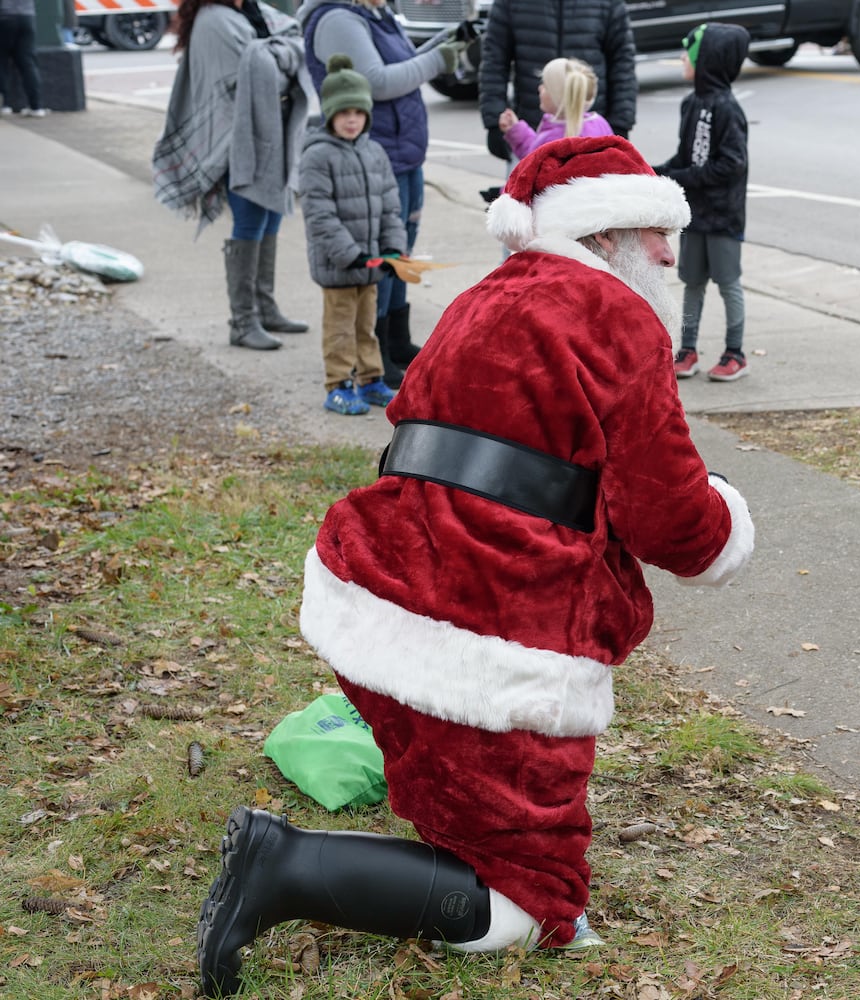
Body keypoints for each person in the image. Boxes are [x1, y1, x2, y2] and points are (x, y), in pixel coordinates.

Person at [195, 135, 755, 997]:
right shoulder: (615, 316)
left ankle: (438, 845)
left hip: (379, 595)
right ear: (603, 236)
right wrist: (728, 518)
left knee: (458, 803)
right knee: (534, 904)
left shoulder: (488, 295)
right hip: (498, 635)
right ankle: (282, 866)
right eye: (653, 231)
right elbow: (673, 519)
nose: (670, 253)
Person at [299, 0, 466, 387]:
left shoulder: (377, 13)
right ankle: (373, 354)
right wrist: (438, 60)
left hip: (400, 150)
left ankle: (395, 338)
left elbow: (404, 63)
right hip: (375, 152)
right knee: (379, 256)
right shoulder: (338, 18)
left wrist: (445, 42)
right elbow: (377, 81)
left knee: (398, 248)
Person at [153, 0, 312, 352]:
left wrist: (277, 55)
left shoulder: (257, 12)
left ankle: (265, 308)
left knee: (271, 215)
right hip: (239, 137)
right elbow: (259, 75)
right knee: (250, 219)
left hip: (275, 130)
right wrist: (281, 55)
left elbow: (295, 47)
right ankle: (242, 321)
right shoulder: (214, 20)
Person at [297, 54, 404, 415]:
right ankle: (339, 383)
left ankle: (371, 378)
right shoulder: (317, 156)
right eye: (344, 113)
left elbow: (391, 205)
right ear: (330, 114)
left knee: (367, 325)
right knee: (340, 328)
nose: (352, 119)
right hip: (340, 264)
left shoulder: (374, 152)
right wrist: (350, 253)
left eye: (358, 112)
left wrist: (393, 247)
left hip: (371, 263)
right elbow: (319, 214)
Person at [654, 22, 751, 383]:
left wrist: (685, 177)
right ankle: (688, 349)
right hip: (695, 215)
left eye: (689, 52)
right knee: (692, 281)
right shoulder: (690, 104)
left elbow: (731, 164)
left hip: (724, 216)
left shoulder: (728, 109)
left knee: (728, 283)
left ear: (708, 59)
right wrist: (656, 172)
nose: (683, 57)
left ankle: (735, 353)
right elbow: (684, 158)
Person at [478, 0, 636, 163]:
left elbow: (622, 62)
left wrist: (620, 122)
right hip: (531, 124)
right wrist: (494, 120)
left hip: (592, 134)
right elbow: (494, 60)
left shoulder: (608, 4)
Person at [497, 57, 613, 161]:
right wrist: (516, 129)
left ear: (557, 97)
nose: (539, 88)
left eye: (545, 86)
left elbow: (530, 164)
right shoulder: (600, 123)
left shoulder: (553, 138)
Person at [0, 0, 45, 117]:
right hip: (27, 17)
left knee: (2, 63)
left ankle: (5, 105)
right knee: (28, 63)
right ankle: (36, 106)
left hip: (4, 18)